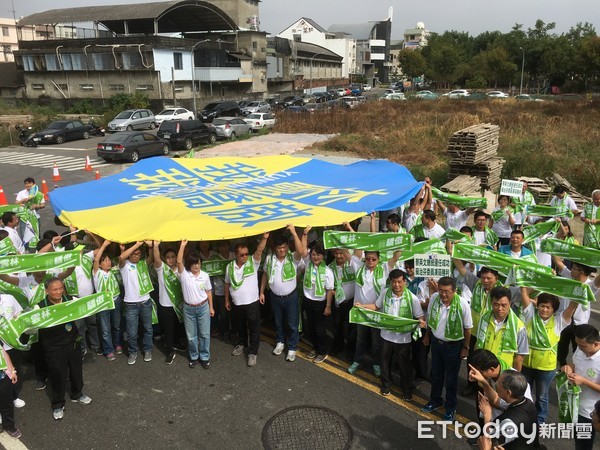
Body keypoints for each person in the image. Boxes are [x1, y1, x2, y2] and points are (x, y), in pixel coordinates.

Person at [358, 269, 426, 400]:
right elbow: (376, 306)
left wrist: (421, 322)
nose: (396, 285)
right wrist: (362, 306)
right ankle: (386, 384)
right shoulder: (385, 293)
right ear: (391, 282)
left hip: (403, 339)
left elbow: (419, 316)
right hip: (386, 336)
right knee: (385, 362)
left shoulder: (412, 298)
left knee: (404, 365)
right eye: (394, 282)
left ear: (405, 282)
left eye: (399, 282)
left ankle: (407, 389)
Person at [520, 288, 578, 424]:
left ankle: (540, 420)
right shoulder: (529, 315)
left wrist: (578, 291)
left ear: (554, 309)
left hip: (546, 368)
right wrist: (542, 284)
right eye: (542, 306)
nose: (544, 310)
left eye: (548, 307)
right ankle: (523, 417)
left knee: (542, 396)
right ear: (537, 305)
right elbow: (524, 293)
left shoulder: (559, 321)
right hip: (526, 364)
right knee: (524, 393)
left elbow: (572, 307)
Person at [38, 278, 92, 420]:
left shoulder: (70, 299)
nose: (58, 292)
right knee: (57, 375)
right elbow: (31, 329)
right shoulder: (40, 307)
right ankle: (58, 404)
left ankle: (77, 393)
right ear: (46, 291)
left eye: (61, 288)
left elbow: (85, 307)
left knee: (76, 369)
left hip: (72, 341)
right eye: (55, 289)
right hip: (53, 346)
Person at [421, 276, 473, 422]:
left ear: (454, 291)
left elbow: (468, 328)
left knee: (451, 379)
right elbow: (430, 318)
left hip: (453, 347)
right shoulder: (434, 298)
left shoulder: (462, 304)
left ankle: (450, 407)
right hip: (437, 344)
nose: (444, 294)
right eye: (441, 290)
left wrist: (465, 347)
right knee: (436, 375)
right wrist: (427, 336)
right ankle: (435, 400)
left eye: (447, 292)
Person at [348, 246, 401, 376]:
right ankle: (357, 361)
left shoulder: (384, 268)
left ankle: (376, 363)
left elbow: (395, 257)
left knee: (376, 341)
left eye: (374, 259)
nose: (370, 261)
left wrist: (402, 240)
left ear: (378, 259)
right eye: (368, 258)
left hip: (377, 311)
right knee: (360, 339)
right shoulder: (359, 267)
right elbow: (346, 251)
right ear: (364, 258)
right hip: (361, 311)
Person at [259, 225, 306, 362]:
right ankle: (280, 342)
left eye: (285, 247)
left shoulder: (293, 258)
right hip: (275, 296)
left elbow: (301, 250)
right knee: (278, 321)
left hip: (290, 297)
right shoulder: (269, 258)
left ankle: (292, 347)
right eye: (280, 248)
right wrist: (261, 292)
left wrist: (293, 232)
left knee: (292, 323)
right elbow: (265, 275)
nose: (282, 250)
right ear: (275, 248)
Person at [225, 233, 269, 367]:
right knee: (240, 326)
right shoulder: (229, 267)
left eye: (246, 254)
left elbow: (260, 250)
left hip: (252, 303)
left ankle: (252, 353)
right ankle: (242, 344)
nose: (245, 256)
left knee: (254, 329)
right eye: (242, 255)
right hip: (237, 304)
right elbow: (227, 284)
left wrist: (265, 238)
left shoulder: (252, 261)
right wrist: (227, 300)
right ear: (236, 255)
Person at [553, 257, 600, 367]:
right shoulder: (568, 276)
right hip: (565, 320)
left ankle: (577, 371)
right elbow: (557, 261)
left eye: (574, 268)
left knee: (579, 350)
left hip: (580, 324)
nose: (571, 269)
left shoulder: (590, 285)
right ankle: (563, 368)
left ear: (582, 272)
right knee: (561, 349)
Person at [561, 324, 600, 450]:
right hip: (574, 405)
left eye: (583, 346)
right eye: (578, 345)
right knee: (578, 440)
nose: (579, 348)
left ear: (596, 343)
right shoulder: (580, 348)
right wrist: (568, 368)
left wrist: (583, 381)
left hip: (589, 412)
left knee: (584, 445)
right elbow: (575, 363)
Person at [477, 370, 539, 450]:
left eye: (499, 383)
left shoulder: (508, 422)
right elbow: (497, 401)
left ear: (508, 393)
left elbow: (488, 442)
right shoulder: (527, 403)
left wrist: (487, 416)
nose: (496, 384)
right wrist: (484, 382)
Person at [177, 240, 214, 369]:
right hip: (188, 309)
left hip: (203, 307)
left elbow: (208, 291)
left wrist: (211, 307)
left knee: (204, 334)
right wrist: (182, 245)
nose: (197, 266)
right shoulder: (184, 275)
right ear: (189, 265)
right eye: (193, 264)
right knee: (191, 336)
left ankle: (204, 357)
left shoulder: (204, 275)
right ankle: (194, 356)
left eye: (198, 263)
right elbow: (178, 262)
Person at [475, 286, 529, 371]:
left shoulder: (519, 327)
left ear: (510, 303)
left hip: (504, 372)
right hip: (483, 369)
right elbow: (478, 343)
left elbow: (519, 357)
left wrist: (514, 377)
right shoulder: (484, 319)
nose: (500, 309)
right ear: (491, 303)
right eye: (496, 305)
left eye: (504, 305)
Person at [119, 241, 155, 365]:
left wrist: (150, 246)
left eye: (138, 254)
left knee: (148, 329)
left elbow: (151, 258)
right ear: (129, 254)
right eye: (134, 254)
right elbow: (121, 257)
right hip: (131, 304)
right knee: (132, 332)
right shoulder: (124, 265)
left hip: (145, 301)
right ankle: (133, 352)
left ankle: (148, 349)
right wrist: (137, 244)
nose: (136, 256)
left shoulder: (142, 264)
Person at [302, 242, 334, 364]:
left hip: (320, 303)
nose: (316, 257)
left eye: (319, 255)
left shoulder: (327, 271)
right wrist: (304, 233)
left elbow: (330, 290)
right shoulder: (308, 264)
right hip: (308, 301)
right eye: (314, 254)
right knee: (311, 327)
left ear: (323, 256)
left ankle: (322, 352)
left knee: (320, 329)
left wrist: (328, 306)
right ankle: (315, 348)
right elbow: (303, 249)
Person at [153, 241, 184, 365]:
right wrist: (155, 246)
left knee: (178, 326)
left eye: (173, 257)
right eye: (167, 257)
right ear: (164, 259)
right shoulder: (162, 269)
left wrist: (182, 246)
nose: (170, 259)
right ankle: (170, 351)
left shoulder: (181, 270)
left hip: (178, 304)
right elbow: (156, 258)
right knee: (168, 329)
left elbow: (181, 261)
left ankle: (178, 343)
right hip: (165, 304)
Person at [93, 239, 122, 362]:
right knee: (105, 329)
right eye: (104, 261)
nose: (108, 262)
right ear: (99, 264)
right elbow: (95, 259)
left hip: (116, 301)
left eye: (109, 260)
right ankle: (108, 350)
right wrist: (104, 245)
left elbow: (121, 260)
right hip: (103, 303)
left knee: (117, 325)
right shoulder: (97, 273)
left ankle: (118, 344)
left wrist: (121, 248)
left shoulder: (114, 271)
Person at [329, 247, 356, 360]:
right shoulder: (330, 268)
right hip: (338, 302)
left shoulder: (352, 265)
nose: (339, 256)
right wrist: (335, 293)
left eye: (341, 253)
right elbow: (329, 287)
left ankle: (351, 351)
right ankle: (338, 346)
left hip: (352, 301)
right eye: (336, 253)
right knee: (337, 325)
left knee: (351, 328)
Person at [0, 294, 24, 409]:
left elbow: (18, 314)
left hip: (12, 344)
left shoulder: (9, 298)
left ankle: (14, 396)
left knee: (14, 371)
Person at [210, 240, 234, 343]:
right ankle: (225, 332)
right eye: (220, 246)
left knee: (233, 313)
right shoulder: (214, 259)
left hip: (234, 289)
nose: (223, 248)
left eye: (225, 245)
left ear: (229, 246)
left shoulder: (234, 255)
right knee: (223, 314)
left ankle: (234, 332)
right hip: (220, 291)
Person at [0, 347, 21, 438]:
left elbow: (3, 353)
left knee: (7, 403)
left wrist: (12, 370)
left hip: (2, 377)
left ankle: (9, 426)